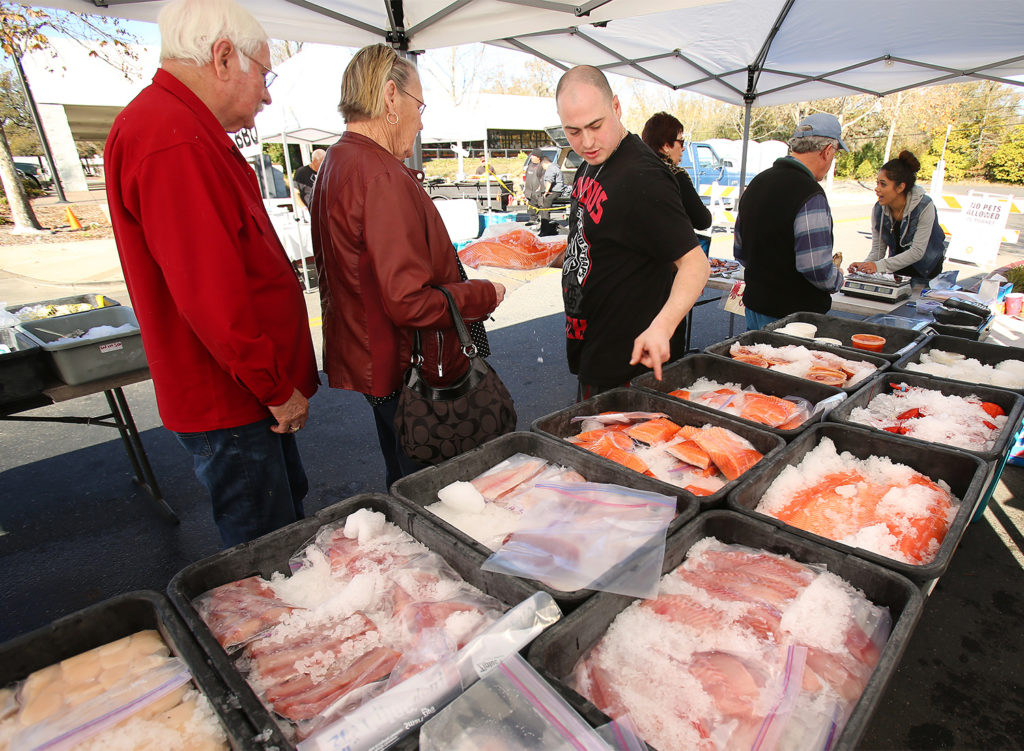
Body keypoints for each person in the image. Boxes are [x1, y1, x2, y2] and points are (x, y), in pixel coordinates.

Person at [105, 0, 319, 548]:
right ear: (224, 57)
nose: (267, 95)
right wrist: (275, 388)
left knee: (281, 530)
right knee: (264, 550)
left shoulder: (180, 128)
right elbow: (211, 296)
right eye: (264, 75)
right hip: (234, 400)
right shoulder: (171, 136)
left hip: (244, 395)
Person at [310, 44, 506, 488]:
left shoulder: (339, 160)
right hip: (407, 371)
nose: (422, 119)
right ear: (390, 97)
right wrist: (485, 293)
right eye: (419, 104)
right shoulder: (379, 174)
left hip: (375, 362)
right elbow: (408, 302)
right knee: (434, 493)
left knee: (403, 480)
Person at [555, 65, 710, 399]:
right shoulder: (592, 160)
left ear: (616, 107)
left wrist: (662, 327)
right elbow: (594, 236)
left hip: (628, 362)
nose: (587, 141)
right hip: (592, 347)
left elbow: (696, 264)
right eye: (573, 131)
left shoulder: (644, 176)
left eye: (595, 126)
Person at [734, 113, 847, 330]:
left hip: (756, 305)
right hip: (794, 317)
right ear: (827, 151)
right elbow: (815, 267)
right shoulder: (810, 194)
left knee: (752, 361)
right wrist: (837, 279)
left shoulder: (757, 182)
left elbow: (740, 251)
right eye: (834, 155)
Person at [848, 150, 945, 284]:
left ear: (900, 187)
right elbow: (877, 251)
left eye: (883, 184)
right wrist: (863, 268)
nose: (877, 189)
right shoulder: (879, 209)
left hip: (926, 271)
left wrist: (878, 266)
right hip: (896, 271)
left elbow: (917, 251)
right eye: (877, 183)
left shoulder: (924, 206)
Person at [641, 112, 712, 233]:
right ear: (666, 146)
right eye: (681, 142)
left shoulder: (636, 172)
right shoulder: (674, 175)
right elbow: (703, 220)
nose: (683, 148)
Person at [523, 148, 544, 222]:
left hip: (538, 191)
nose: (531, 157)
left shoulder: (542, 166)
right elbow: (526, 177)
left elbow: (543, 179)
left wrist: (540, 187)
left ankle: (542, 220)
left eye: (533, 156)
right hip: (529, 191)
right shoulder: (529, 166)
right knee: (531, 206)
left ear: (538, 157)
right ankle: (533, 219)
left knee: (540, 205)